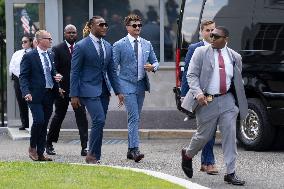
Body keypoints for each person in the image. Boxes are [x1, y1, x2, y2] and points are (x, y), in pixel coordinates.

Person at [181, 26, 248, 185]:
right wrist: (198, 94)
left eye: (216, 36)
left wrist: (237, 103)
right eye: (211, 35)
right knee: (203, 136)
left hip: (227, 101)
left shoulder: (235, 57)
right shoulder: (201, 52)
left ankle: (230, 173)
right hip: (206, 100)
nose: (212, 38)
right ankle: (188, 154)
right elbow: (191, 75)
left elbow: (236, 80)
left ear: (226, 39)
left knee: (230, 135)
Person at [70, 16, 123, 164]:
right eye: (101, 25)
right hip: (87, 89)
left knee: (100, 122)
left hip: (104, 90)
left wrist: (118, 91)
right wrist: (73, 94)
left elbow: (112, 71)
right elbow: (74, 72)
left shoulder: (107, 46)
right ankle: (91, 154)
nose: (105, 27)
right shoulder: (81, 46)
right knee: (98, 119)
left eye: (106, 24)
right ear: (91, 27)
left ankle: (96, 156)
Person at [113, 14, 159, 162]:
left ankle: (129, 150)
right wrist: (117, 90)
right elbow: (113, 68)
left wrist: (153, 67)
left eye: (139, 25)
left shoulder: (147, 43)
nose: (138, 28)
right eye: (134, 25)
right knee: (133, 117)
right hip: (126, 83)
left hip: (141, 85)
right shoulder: (119, 45)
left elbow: (156, 62)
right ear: (127, 27)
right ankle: (135, 149)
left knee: (135, 118)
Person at [180, 20, 218, 175]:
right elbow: (188, 73)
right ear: (202, 32)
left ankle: (204, 161)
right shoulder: (195, 48)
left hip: (216, 95)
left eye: (213, 30)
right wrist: (184, 94)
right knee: (207, 128)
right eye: (208, 30)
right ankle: (208, 162)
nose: (211, 33)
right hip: (201, 95)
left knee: (211, 128)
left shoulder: (219, 47)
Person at [46, 24, 89, 157]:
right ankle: (49, 143)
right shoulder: (57, 49)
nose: (71, 35)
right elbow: (54, 71)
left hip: (78, 90)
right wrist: (58, 87)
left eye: (74, 33)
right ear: (64, 34)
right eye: (69, 32)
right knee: (59, 115)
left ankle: (84, 147)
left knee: (81, 117)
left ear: (76, 34)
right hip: (62, 90)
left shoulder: (81, 47)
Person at [19, 30, 63, 161]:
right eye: (48, 38)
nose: (50, 40)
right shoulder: (29, 56)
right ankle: (32, 148)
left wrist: (58, 80)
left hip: (49, 94)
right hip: (34, 95)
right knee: (39, 121)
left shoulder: (51, 55)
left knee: (44, 124)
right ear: (38, 41)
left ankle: (40, 152)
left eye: (50, 38)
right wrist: (26, 92)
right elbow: (23, 77)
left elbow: (53, 73)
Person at [9, 35, 33, 130]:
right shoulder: (17, 53)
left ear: (31, 42)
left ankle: (32, 123)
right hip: (18, 80)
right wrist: (18, 77)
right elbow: (12, 66)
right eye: (22, 42)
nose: (23, 43)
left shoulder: (34, 53)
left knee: (31, 101)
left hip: (30, 80)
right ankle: (25, 123)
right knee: (21, 102)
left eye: (25, 41)